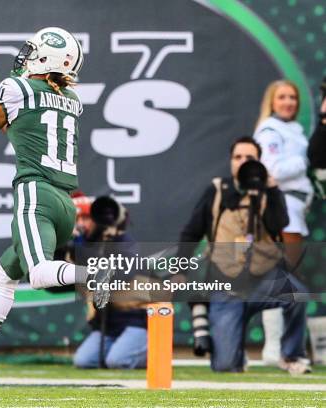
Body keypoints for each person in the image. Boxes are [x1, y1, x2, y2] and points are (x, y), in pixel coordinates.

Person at [0, 27, 109, 386]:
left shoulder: (17, 87)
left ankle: (92, 275)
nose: (25, 56)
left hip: (35, 194)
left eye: (33, 51)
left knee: (38, 274)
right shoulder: (69, 98)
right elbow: (14, 127)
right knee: (5, 277)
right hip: (64, 205)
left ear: (46, 58)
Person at [177, 136, 310, 374]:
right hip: (227, 287)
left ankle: (292, 356)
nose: (243, 162)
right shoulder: (217, 190)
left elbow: (280, 223)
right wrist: (179, 271)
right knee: (225, 366)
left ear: (260, 161)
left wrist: (272, 189)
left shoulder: (269, 192)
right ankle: (234, 349)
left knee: (297, 294)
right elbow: (191, 232)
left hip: (264, 280)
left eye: (250, 158)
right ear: (231, 162)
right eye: (238, 157)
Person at [253, 80, 313, 366]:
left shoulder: (295, 130)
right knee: (285, 278)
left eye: (293, 97)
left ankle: (280, 348)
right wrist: (307, 160)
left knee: (288, 278)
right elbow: (273, 170)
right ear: (272, 101)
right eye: (282, 97)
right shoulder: (269, 131)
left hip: (298, 209)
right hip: (284, 208)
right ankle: (275, 348)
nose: (288, 102)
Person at [71, 196, 148, 369]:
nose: (82, 224)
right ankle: (122, 349)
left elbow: (120, 277)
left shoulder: (126, 244)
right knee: (83, 361)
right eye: (78, 220)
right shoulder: (88, 247)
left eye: (86, 219)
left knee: (117, 361)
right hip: (108, 324)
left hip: (136, 320)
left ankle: (156, 350)